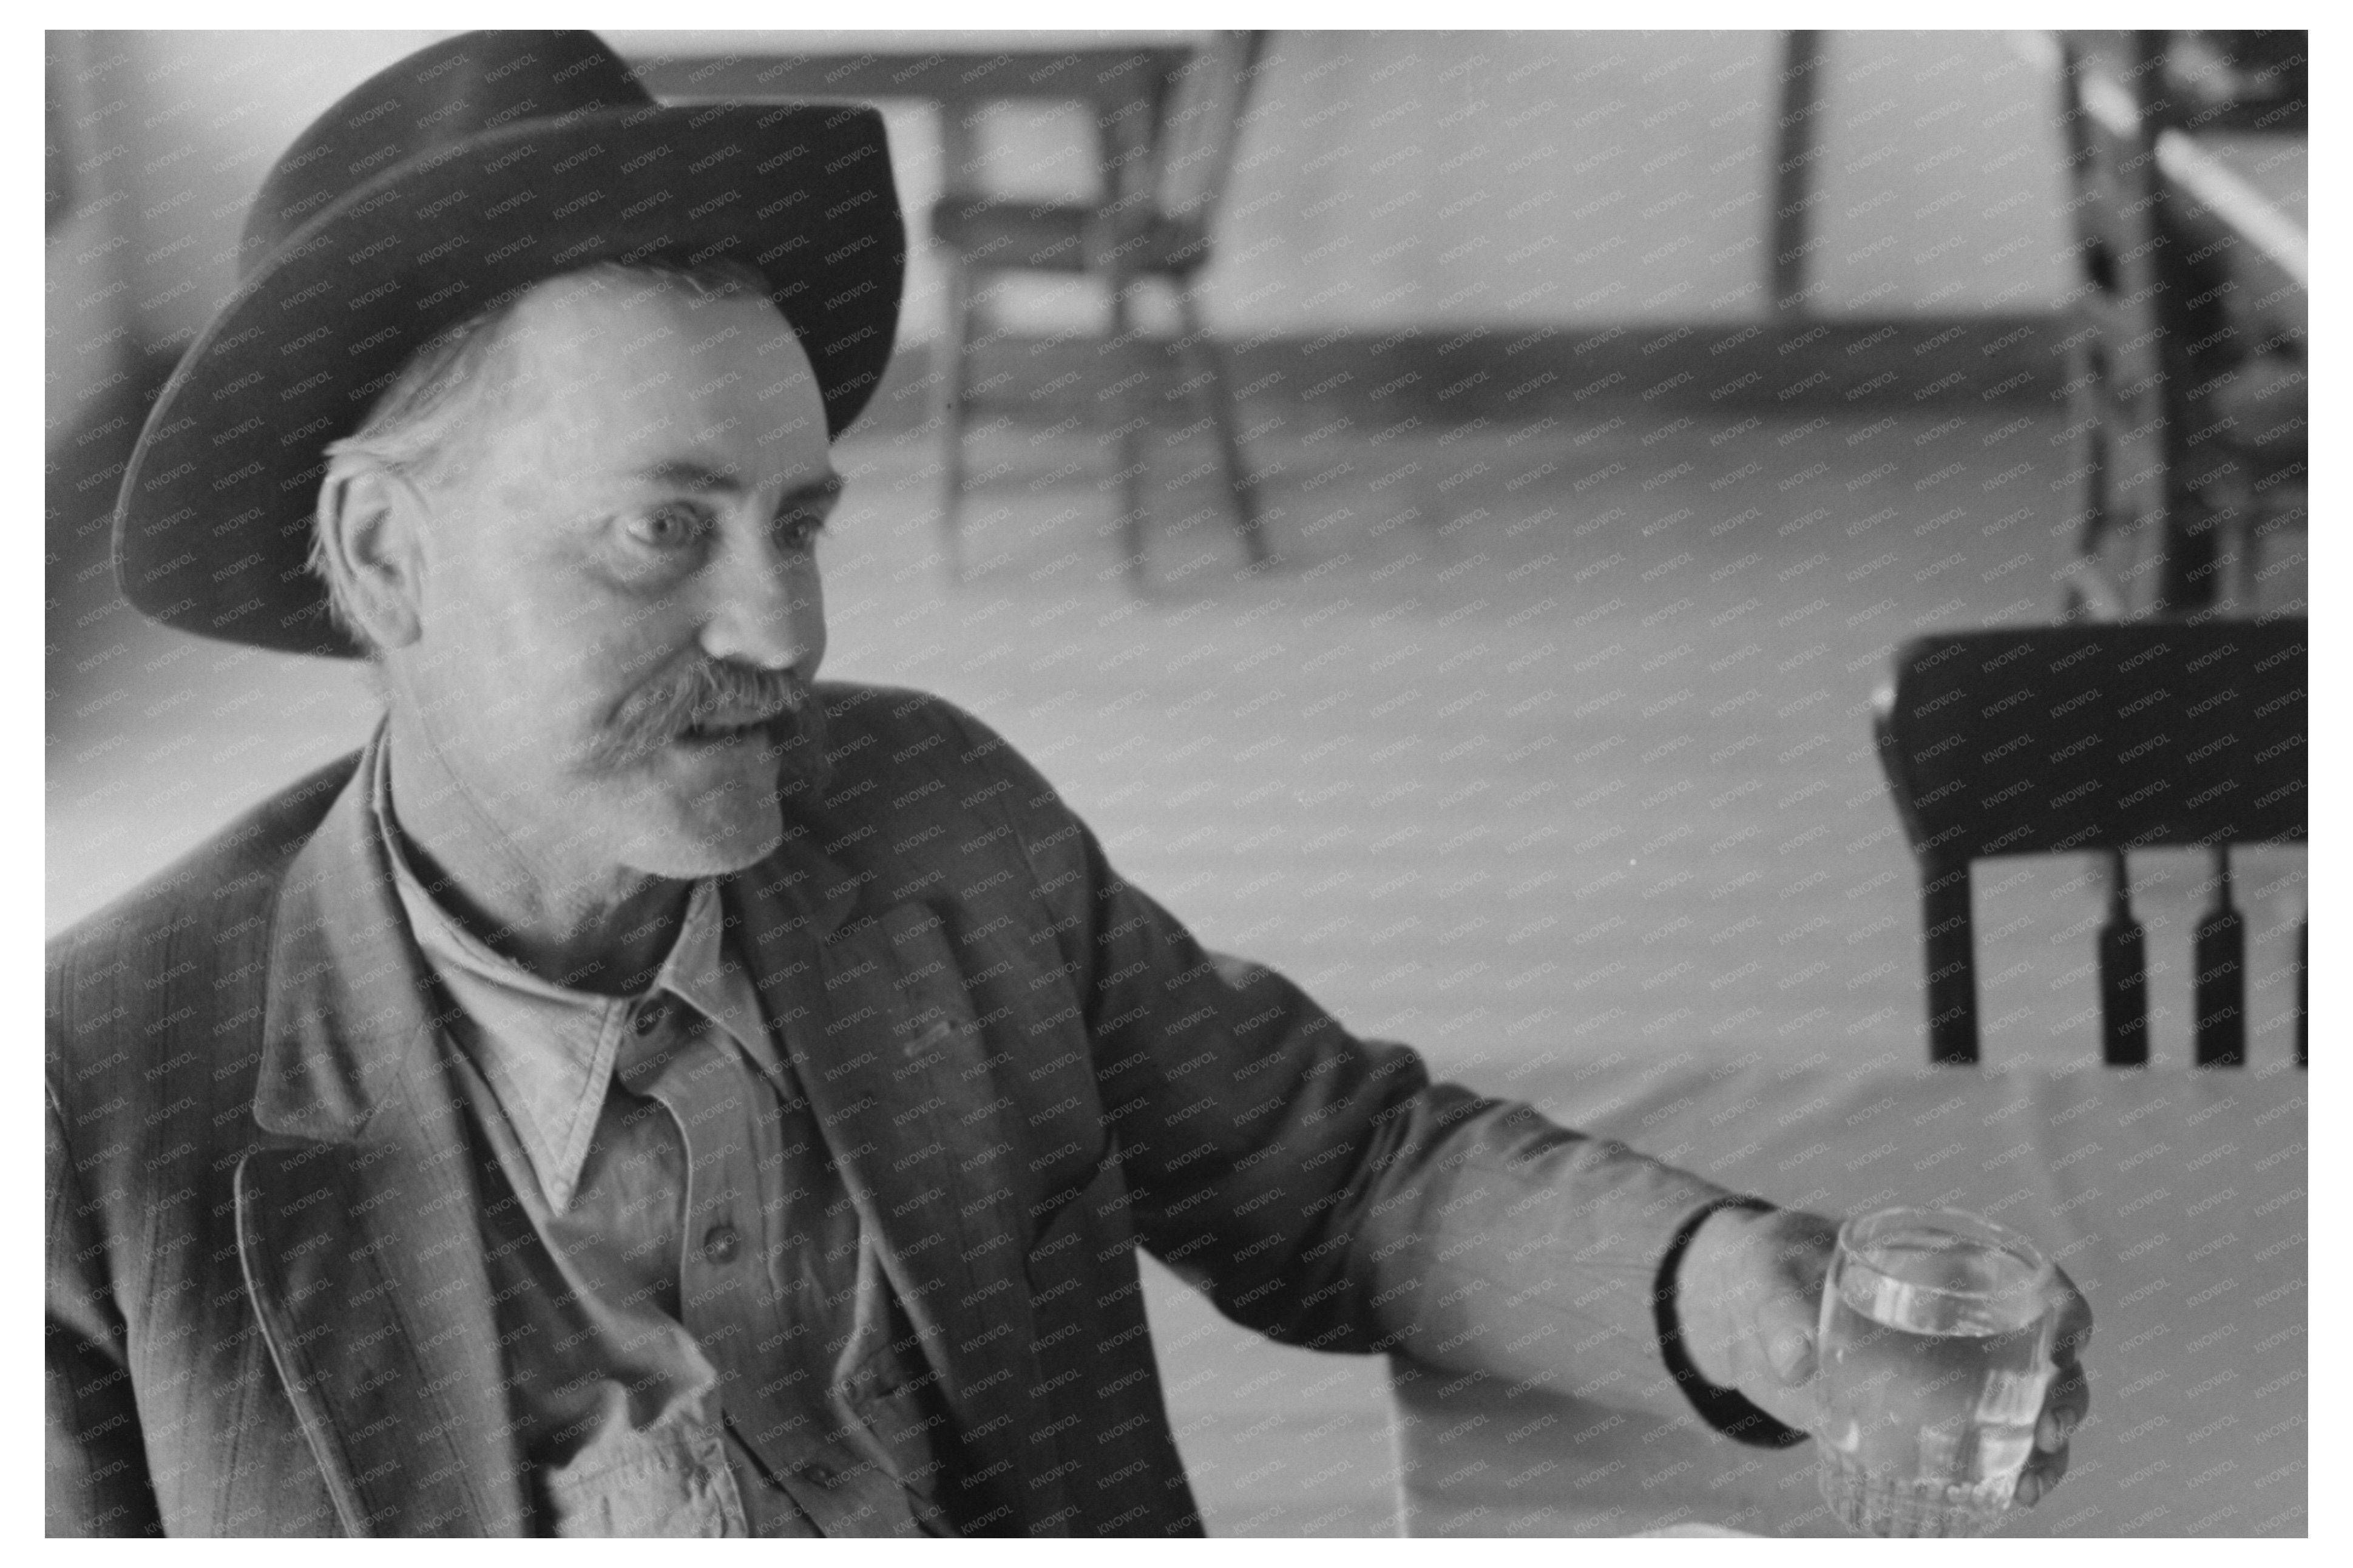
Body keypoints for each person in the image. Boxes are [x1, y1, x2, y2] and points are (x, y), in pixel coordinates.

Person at [47, 31, 2090, 1537]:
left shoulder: (938, 825)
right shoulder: (94, 1099)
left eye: (801, 522)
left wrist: (1737, 1294)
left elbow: (1337, 1174)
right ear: (388, 556)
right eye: (666, 533)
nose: (785, 629)